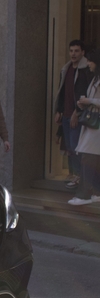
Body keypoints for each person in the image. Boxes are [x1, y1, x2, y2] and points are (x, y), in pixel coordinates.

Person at [54, 40, 93, 189]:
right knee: (70, 146)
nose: (73, 54)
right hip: (66, 113)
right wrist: (59, 110)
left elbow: (86, 94)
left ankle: (79, 176)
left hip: (79, 114)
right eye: (71, 51)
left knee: (77, 146)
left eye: (76, 51)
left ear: (82, 52)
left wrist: (78, 112)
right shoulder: (66, 68)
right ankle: (74, 174)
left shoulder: (86, 70)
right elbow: (62, 91)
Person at [68, 49, 100, 206]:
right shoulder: (94, 79)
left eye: (90, 61)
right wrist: (84, 103)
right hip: (92, 124)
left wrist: (90, 101)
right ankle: (95, 192)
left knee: (88, 159)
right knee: (92, 159)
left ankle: (84, 195)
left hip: (96, 126)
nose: (88, 64)